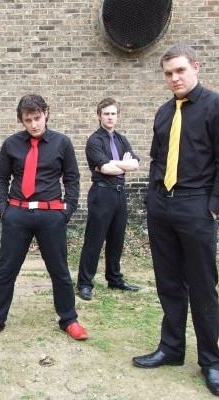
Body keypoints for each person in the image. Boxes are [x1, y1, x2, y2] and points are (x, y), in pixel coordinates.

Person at [132, 44, 219, 397]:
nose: (174, 78)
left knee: (203, 286)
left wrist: (213, 207)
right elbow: (157, 159)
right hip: (162, 207)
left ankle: (211, 362)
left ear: (196, 67)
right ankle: (171, 348)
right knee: (168, 283)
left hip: (197, 206)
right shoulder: (164, 113)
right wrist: (152, 198)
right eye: (168, 73)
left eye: (180, 70)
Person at [0, 94, 88, 342]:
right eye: (28, 120)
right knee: (6, 270)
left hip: (51, 214)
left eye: (37, 118)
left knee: (59, 270)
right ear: (21, 120)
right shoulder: (11, 144)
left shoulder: (62, 143)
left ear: (46, 113)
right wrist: (3, 210)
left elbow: (72, 179)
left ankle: (69, 319)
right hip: (17, 214)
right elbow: (1, 179)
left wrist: (66, 211)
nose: (34, 124)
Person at [76, 97, 140, 301]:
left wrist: (113, 162)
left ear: (117, 116)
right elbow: (105, 169)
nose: (110, 117)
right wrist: (119, 164)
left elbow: (135, 164)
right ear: (99, 116)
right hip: (102, 194)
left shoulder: (121, 139)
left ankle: (114, 279)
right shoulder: (94, 140)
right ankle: (84, 283)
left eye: (113, 114)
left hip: (120, 193)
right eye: (106, 114)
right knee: (94, 240)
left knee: (117, 239)